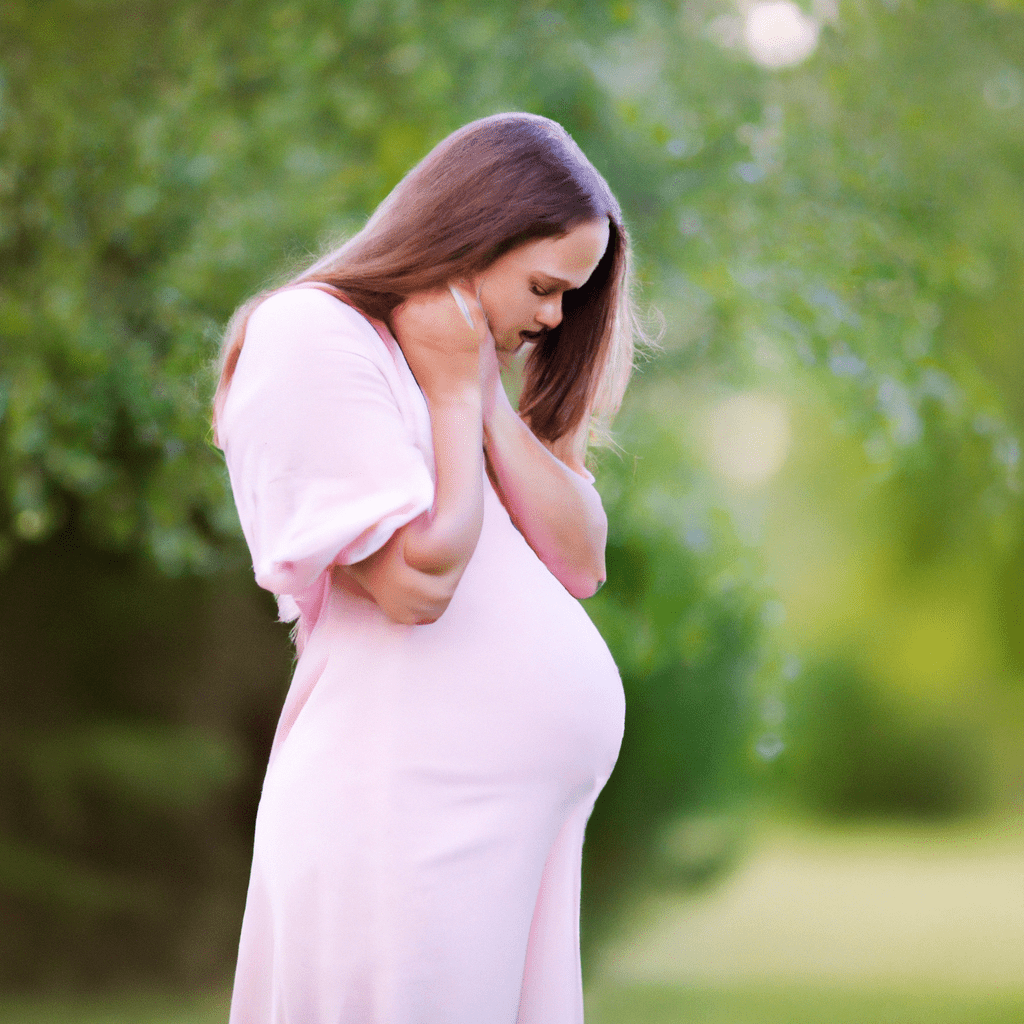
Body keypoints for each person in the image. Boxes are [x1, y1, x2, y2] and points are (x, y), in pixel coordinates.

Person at [212, 112, 641, 1024]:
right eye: (542, 285)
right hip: (400, 813)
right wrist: (452, 394)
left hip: (507, 824)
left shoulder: (457, 371)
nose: (556, 315)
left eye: (571, 294)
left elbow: (582, 555)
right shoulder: (310, 335)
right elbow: (415, 585)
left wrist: (481, 395)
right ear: (472, 236)